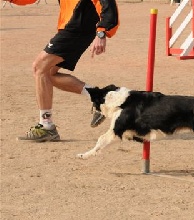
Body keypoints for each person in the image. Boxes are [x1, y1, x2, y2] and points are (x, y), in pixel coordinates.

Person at [7, 0, 119, 142]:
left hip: (78, 27)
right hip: (71, 26)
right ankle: (99, 97)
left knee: (39, 67)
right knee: (48, 73)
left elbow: (108, 5)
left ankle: (46, 126)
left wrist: (102, 32)